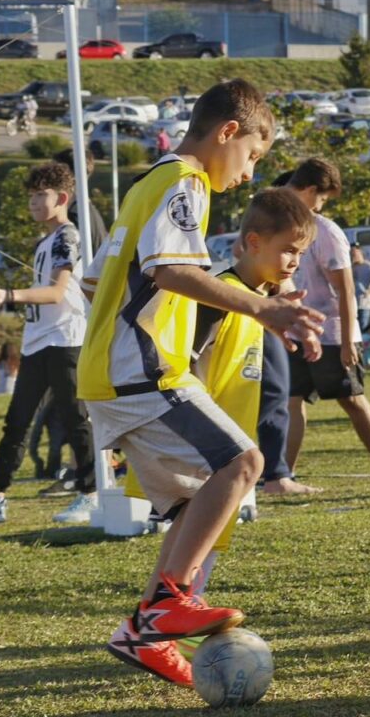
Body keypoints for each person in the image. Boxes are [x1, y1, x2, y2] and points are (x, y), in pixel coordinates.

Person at [78, 79, 323, 687]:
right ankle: (167, 601)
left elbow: (93, 280)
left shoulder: (145, 186)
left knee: (197, 503)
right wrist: (261, 309)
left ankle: (141, 635)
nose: (247, 176)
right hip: (142, 370)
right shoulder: (184, 183)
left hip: (119, 368)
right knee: (244, 462)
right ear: (228, 133)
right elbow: (171, 271)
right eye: (253, 159)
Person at [129, 189, 320, 640]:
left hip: (228, 446)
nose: (294, 261)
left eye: (301, 253)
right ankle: (174, 627)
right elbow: (182, 363)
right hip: (204, 445)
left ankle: (151, 627)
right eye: (287, 250)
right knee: (202, 541)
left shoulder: (259, 301)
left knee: (207, 540)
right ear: (253, 242)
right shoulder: (221, 297)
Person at [0, 162, 98, 523]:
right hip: (38, 343)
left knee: (76, 419)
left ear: (62, 198)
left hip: (65, 341)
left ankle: (91, 494)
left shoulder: (67, 236)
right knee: (16, 421)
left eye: (41, 196)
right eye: (31, 196)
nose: (33, 203)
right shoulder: (46, 240)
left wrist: (8, 294)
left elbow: (55, 293)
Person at [282, 158, 370, 486]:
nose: (321, 206)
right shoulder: (276, 223)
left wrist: (350, 339)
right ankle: (283, 474)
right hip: (294, 331)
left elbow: (346, 288)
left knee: (350, 399)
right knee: (292, 402)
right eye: (322, 199)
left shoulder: (326, 232)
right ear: (309, 190)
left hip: (333, 332)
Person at [351, 242, 370, 335]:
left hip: (364, 304)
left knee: (363, 331)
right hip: (352, 304)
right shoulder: (351, 268)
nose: (353, 256)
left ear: (360, 252)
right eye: (351, 254)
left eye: (354, 253)